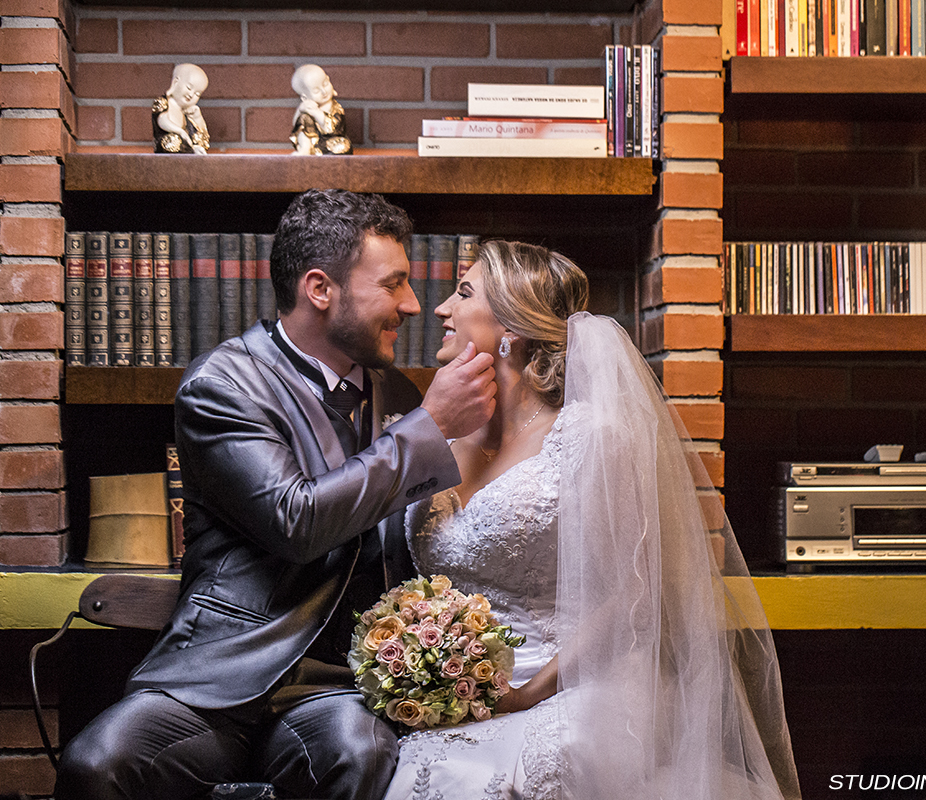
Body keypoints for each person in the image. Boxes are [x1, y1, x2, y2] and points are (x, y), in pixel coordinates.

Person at [54, 189, 497, 800]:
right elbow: (295, 520)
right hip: (221, 673)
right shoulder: (222, 384)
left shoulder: (397, 393)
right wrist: (433, 426)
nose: (413, 304)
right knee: (97, 763)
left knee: (361, 755)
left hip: (336, 685)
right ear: (320, 289)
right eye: (393, 284)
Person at [382, 240, 802, 800]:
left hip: (574, 682)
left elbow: (634, 590)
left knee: (521, 770)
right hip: (453, 686)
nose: (441, 309)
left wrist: (528, 693)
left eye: (463, 293)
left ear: (512, 326)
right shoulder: (433, 434)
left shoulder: (590, 436)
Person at [290, 64, 352, 155]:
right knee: (303, 118)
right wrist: (300, 110)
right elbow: (296, 126)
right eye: (316, 91)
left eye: (325, 84)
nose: (324, 92)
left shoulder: (336, 108)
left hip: (335, 143)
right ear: (305, 97)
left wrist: (317, 113)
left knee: (343, 146)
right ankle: (305, 149)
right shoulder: (308, 111)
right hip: (316, 145)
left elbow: (333, 129)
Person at [153, 63, 210, 154]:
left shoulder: (187, 114)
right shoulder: (163, 102)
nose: (191, 95)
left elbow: (202, 139)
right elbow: (162, 120)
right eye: (189, 88)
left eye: (197, 94)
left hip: (185, 152)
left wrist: (198, 119)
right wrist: (180, 131)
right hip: (168, 146)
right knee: (172, 141)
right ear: (176, 82)